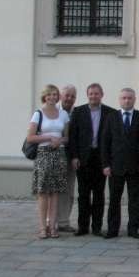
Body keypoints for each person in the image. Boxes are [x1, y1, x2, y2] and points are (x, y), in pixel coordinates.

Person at [68, 83, 113, 236]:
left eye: (96, 93)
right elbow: (73, 136)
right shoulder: (79, 112)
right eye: (91, 94)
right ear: (87, 95)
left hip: (101, 158)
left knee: (99, 194)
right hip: (83, 159)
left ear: (102, 95)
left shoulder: (110, 113)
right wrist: (74, 156)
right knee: (84, 194)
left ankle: (97, 227)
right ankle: (83, 227)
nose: (94, 96)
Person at [27, 84, 70, 239]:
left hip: (59, 154)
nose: (52, 97)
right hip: (43, 154)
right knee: (43, 192)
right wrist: (49, 137)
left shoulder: (63, 114)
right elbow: (30, 137)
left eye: (55, 94)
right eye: (49, 94)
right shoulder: (38, 114)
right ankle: (42, 227)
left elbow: (67, 136)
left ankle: (53, 226)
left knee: (55, 192)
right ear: (44, 96)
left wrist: (60, 141)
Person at [101, 88, 139, 239]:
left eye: (130, 98)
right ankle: (112, 229)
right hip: (115, 167)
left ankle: (133, 229)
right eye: (124, 98)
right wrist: (105, 164)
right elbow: (105, 142)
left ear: (134, 99)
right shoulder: (111, 117)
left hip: (134, 166)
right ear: (119, 100)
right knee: (114, 200)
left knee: (134, 200)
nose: (127, 100)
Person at [56, 84, 77, 233]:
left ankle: (64, 221)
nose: (69, 98)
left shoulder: (77, 113)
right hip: (53, 157)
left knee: (68, 191)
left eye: (72, 96)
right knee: (52, 190)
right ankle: (51, 221)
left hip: (70, 158)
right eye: (67, 95)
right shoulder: (51, 111)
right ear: (60, 96)